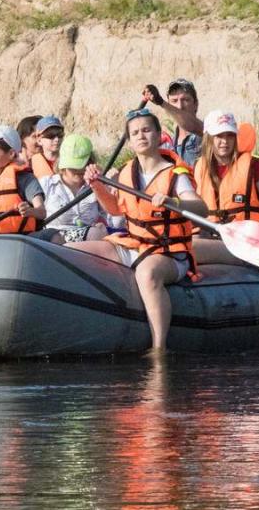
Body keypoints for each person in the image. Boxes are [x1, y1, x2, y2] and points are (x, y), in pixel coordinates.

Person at [67, 108, 208, 352]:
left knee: (146, 273)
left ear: (157, 134)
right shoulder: (126, 172)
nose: (141, 136)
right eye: (135, 133)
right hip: (135, 244)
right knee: (71, 251)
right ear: (130, 142)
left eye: (146, 130)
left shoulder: (175, 173)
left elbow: (201, 208)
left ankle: (159, 347)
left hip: (169, 253)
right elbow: (115, 210)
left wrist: (174, 202)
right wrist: (98, 187)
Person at [192, 110, 259, 265]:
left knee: (194, 247)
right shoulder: (200, 166)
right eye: (219, 136)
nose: (225, 141)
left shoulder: (253, 165)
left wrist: (256, 234)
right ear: (208, 138)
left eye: (230, 135)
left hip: (243, 241)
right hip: (213, 236)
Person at [40, 134, 115, 243]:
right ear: (63, 164)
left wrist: (104, 186)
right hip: (54, 242)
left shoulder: (97, 184)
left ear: (91, 162)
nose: (79, 169)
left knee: (97, 233)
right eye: (73, 166)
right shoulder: (46, 184)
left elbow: (114, 218)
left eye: (83, 164)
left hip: (91, 242)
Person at [141, 78, 204, 167]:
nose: (180, 106)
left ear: (196, 104)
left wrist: (161, 102)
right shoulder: (167, 144)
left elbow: (193, 125)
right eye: (174, 101)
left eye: (185, 100)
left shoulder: (207, 133)